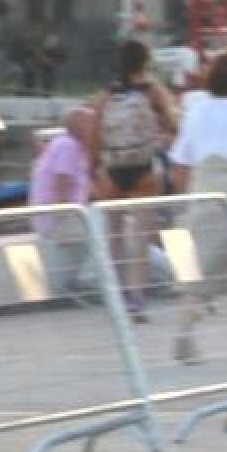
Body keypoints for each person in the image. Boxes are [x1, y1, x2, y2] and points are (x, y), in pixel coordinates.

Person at [90, 39, 177, 322]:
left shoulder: (104, 96)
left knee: (112, 235)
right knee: (140, 237)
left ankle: (114, 294)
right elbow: (175, 124)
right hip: (143, 168)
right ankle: (137, 299)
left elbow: (93, 135)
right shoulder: (153, 92)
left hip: (112, 168)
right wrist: (162, 140)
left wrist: (96, 166)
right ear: (145, 63)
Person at [166, 48, 227, 364]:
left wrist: (184, 203)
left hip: (204, 191)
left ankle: (184, 332)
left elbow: (180, 162)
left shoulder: (196, 109)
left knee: (198, 275)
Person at [28, 107, 96, 298]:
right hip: (61, 216)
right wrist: (62, 219)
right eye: (92, 123)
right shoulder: (68, 146)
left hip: (67, 213)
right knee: (99, 237)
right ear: (78, 126)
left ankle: (75, 283)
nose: (96, 128)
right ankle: (75, 285)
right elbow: (62, 182)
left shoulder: (74, 146)